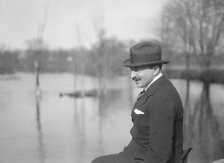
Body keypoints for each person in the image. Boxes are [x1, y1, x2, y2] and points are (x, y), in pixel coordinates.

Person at [92, 41, 184, 163]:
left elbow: (160, 154)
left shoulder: (163, 98)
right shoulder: (153, 88)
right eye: (132, 70)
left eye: (137, 70)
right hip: (133, 155)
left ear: (155, 69)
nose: (132, 75)